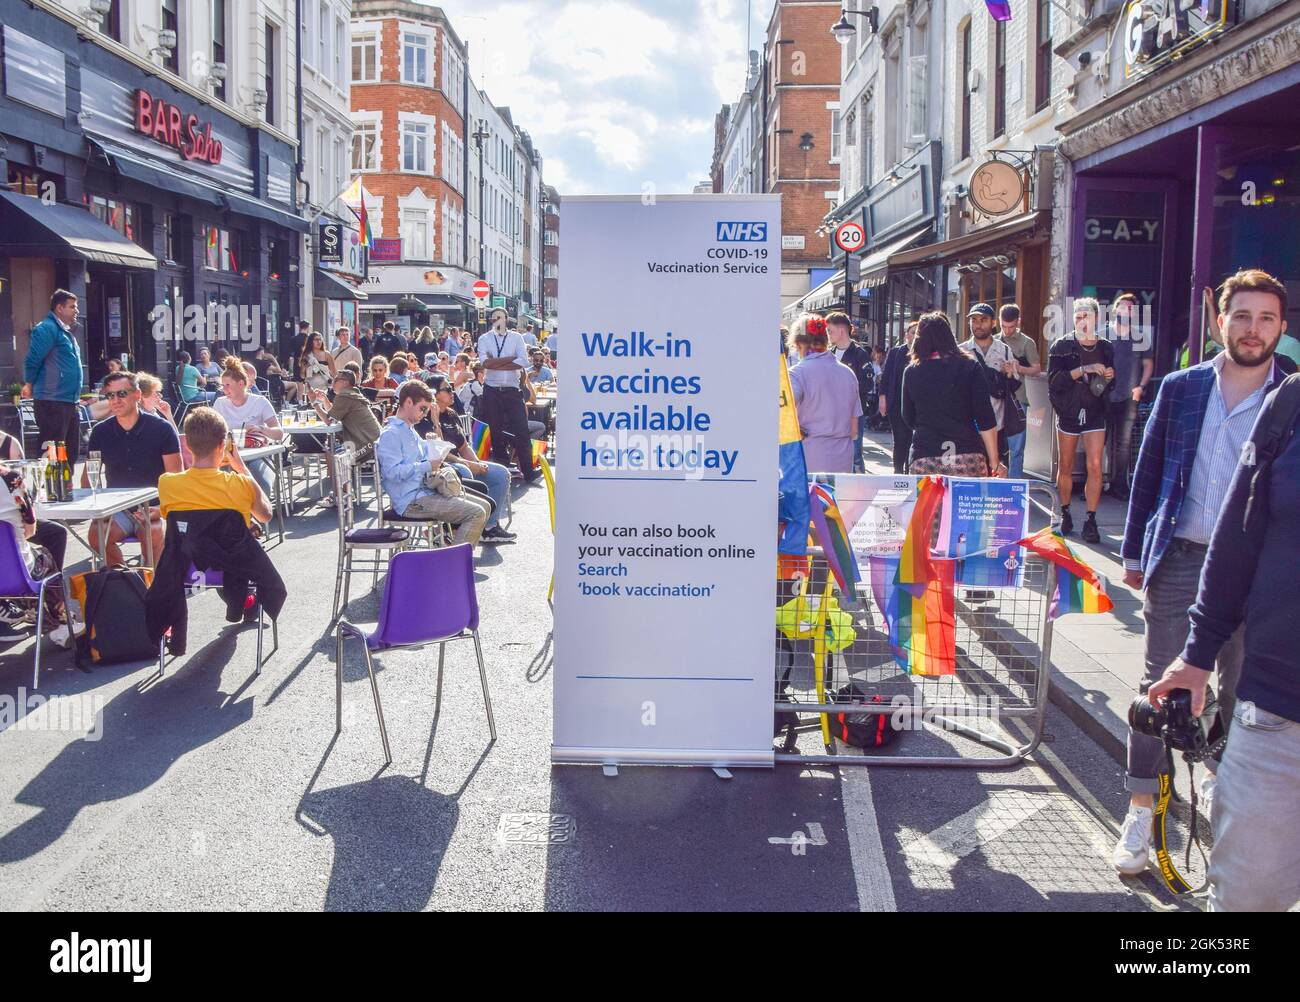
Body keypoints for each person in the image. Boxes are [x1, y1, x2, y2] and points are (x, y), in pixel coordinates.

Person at [1113, 268, 1289, 878]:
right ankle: (1141, 808)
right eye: (1241, 316)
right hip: (1183, 558)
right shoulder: (1183, 388)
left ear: (1282, 329)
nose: (1252, 329)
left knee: (1244, 696)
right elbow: (1149, 470)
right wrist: (1134, 554)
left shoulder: (1291, 396)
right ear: (1221, 322)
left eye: (1266, 318)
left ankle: (1224, 795)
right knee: (1162, 691)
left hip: (1261, 577)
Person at [1147, 319, 1298, 911]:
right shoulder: (1289, 407)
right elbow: (1239, 538)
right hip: (1280, 713)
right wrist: (1196, 654)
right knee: (1245, 901)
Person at [84, 370, 182, 566]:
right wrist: (97, 507)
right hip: (117, 507)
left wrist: (161, 509)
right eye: (110, 395)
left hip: (153, 505)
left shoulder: (162, 429)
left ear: (137, 395)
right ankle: (126, 582)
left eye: (122, 394)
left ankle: (152, 585)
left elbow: (176, 478)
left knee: (152, 533)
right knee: (96, 536)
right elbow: (88, 479)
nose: (115, 400)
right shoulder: (100, 432)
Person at [376, 381, 490, 546]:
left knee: (484, 506)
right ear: (408, 402)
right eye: (422, 408)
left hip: (423, 493)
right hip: (410, 500)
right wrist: (428, 465)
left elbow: (425, 459)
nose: (424, 414)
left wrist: (433, 447)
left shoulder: (408, 429)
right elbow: (391, 473)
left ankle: (453, 560)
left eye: (426, 410)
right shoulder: (391, 433)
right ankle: (454, 565)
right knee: (477, 513)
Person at [899, 311, 1002, 477]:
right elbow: (986, 418)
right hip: (968, 455)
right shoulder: (970, 367)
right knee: (969, 502)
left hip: (925, 454)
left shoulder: (911, 372)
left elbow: (908, 416)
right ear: (949, 336)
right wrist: (994, 461)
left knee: (927, 504)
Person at [1048, 297, 1114, 542]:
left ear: (1096, 318)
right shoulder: (1061, 346)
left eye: (1086, 316)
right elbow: (1054, 382)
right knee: (1065, 465)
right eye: (1077, 316)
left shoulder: (1106, 347)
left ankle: (1091, 519)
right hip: (1069, 412)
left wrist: (1109, 374)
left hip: (1095, 410)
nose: (1081, 320)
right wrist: (1082, 370)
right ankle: (1065, 512)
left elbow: (1111, 383)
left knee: (1095, 465)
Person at [429, 377, 515, 543]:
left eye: (452, 388)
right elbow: (438, 452)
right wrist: (467, 464)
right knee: (466, 471)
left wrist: (477, 463)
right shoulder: (426, 416)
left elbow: (463, 447)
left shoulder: (451, 414)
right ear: (435, 394)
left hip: (460, 461)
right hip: (443, 466)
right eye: (447, 389)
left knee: (500, 473)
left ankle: (488, 527)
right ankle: (458, 528)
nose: (452, 392)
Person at [159, 406, 273, 528]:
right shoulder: (242, 483)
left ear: (186, 443)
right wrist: (242, 469)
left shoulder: (167, 483)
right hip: (231, 546)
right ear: (223, 445)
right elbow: (265, 515)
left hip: (190, 547)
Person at [787, 315, 862, 474]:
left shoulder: (797, 374)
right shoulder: (848, 374)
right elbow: (854, 430)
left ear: (800, 344)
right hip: (843, 460)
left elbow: (782, 413)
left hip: (809, 459)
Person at [23, 290, 85, 464]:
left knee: (70, 453)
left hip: (68, 401)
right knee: (53, 454)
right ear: (59, 308)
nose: (76, 311)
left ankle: (67, 489)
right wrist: (28, 384)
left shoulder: (64, 332)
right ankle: (51, 490)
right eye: (72, 307)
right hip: (52, 400)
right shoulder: (46, 328)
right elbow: (33, 358)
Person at [478, 308, 538, 482]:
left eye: (501, 318)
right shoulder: (485, 339)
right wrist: (510, 359)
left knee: (522, 430)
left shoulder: (516, 337)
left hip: (512, 389)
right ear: (491, 320)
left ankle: (528, 471)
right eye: (495, 318)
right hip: (492, 390)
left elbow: (523, 362)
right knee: (496, 431)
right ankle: (503, 473)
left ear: (506, 319)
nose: (498, 320)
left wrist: (496, 363)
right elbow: (485, 363)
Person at [1104, 293, 1154, 500]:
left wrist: (1141, 386)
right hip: (1104, 396)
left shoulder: (1140, 337)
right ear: (1115, 310)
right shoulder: (1103, 335)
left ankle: (1118, 486)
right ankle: (1096, 484)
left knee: (1123, 444)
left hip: (1129, 396)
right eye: (1123, 307)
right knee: (1099, 441)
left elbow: (1148, 365)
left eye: (1130, 309)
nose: (1126, 311)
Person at [960, 303, 1020, 472]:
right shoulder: (961, 351)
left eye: (983, 320)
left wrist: (1009, 373)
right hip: (969, 424)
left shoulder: (1004, 350)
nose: (978, 324)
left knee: (997, 470)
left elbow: (1013, 385)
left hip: (997, 423)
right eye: (974, 320)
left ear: (993, 323)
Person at [212, 358, 282, 500]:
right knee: (216, 488)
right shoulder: (220, 403)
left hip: (256, 456)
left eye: (227, 385)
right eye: (222, 385)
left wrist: (261, 429)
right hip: (228, 457)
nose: (224, 389)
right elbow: (211, 433)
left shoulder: (259, 402)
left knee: (262, 487)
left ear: (241, 383)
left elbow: (279, 433)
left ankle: (254, 516)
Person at [827, 312, 876, 474]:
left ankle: (859, 487)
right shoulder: (829, 354)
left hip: (854, 412)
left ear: (842, 330)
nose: (828, 335)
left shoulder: (859, 354)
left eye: (830, 330)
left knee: (854, 453)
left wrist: (844, 390)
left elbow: (868, 383)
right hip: (830, 413)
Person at [998, 304, 1041, 479]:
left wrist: (1018, 367)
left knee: (1016, 448)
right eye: (1003, 326)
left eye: (1011, 327)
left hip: (1018, 399)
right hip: (997, 398)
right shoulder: (993, 340)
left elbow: (1036, 370)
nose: (1007, 331)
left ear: (1018, 322)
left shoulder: (1026, 342)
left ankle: (1014, 487)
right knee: (995, 447)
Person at [879, 321, 917, 474]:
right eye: (912, 332)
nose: (915, 335)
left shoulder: (924, 352)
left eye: (918, 332)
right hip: (897, 403)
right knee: (900, 439)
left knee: (913, 441)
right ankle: (898, 471)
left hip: (917, 405)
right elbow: (886, 376)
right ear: (906, 335)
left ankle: (910, 470)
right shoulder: (896, 352)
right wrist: (883, 399)